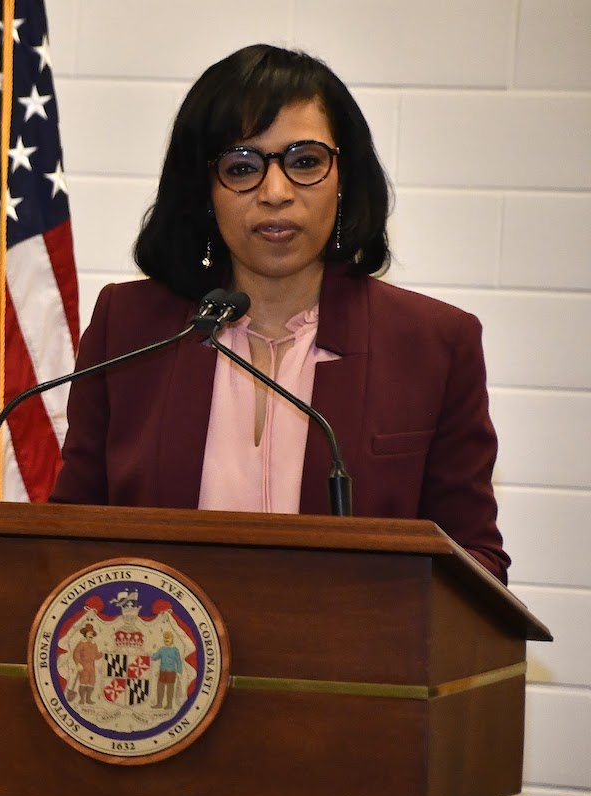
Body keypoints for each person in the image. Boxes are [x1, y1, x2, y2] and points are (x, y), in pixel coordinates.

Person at [50, 43, 509, 584]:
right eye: (241, 166)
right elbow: (69, 534)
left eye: (305, 162)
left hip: (349, 661)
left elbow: (474, 560)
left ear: (345, 177)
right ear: (204, 189)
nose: (275, 192)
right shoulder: (129, 327)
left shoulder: (432, 344)